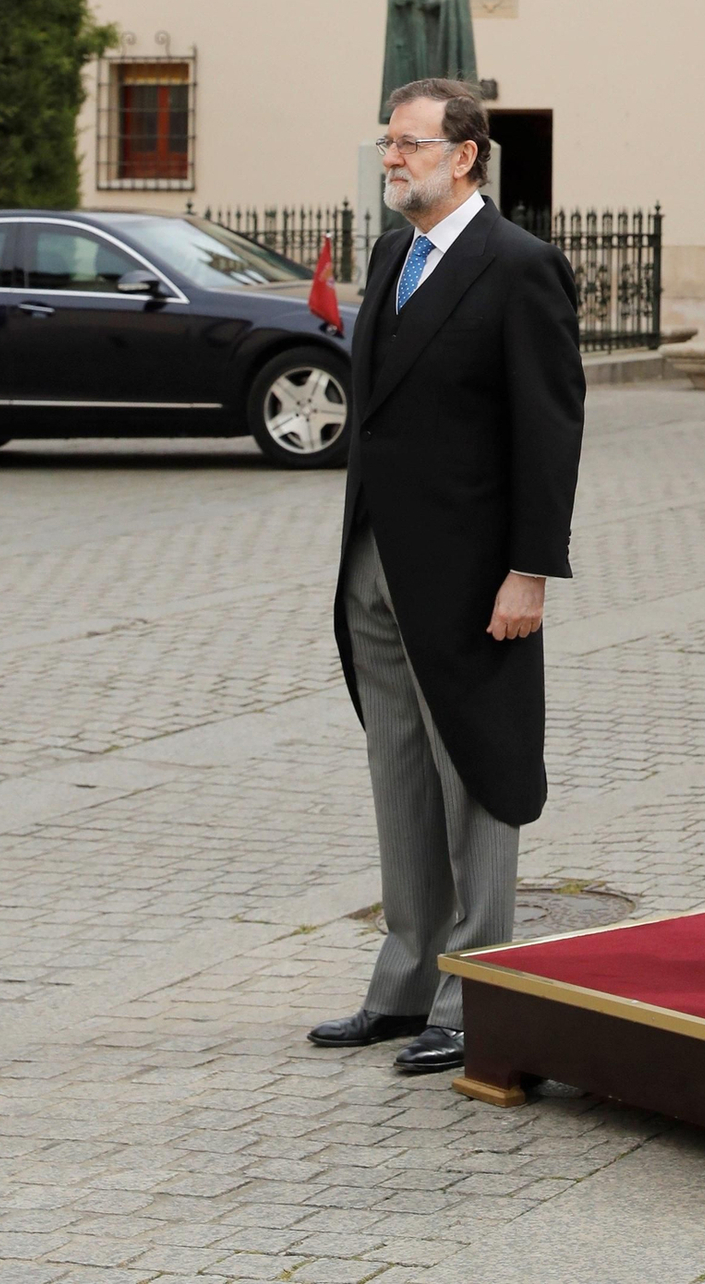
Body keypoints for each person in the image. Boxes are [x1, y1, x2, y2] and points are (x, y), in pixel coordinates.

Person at [308, 79, 584, 1075]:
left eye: (410, 143)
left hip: (474, 575)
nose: (391, 157)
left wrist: (530, 571)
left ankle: (478, 999)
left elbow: (549, 430)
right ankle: (404, 984)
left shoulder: (520, 267)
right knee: (400, 775)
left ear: (464, 156)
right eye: (388, 141)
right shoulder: (392, 255)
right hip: (377, 565)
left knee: (477, 774)